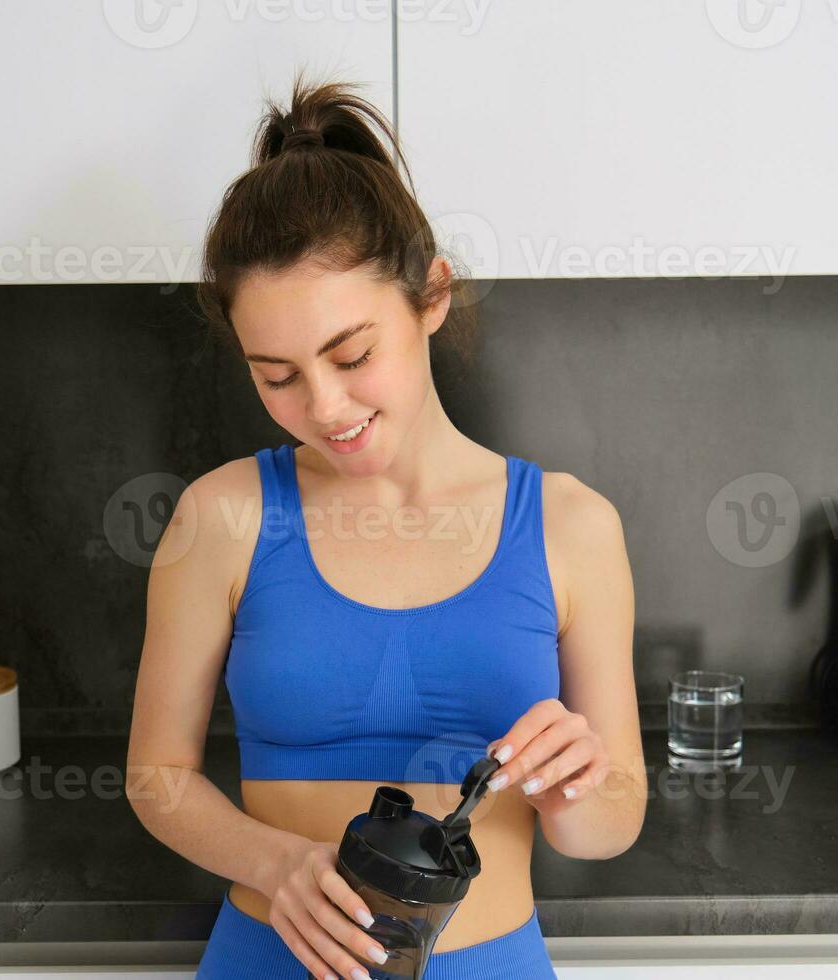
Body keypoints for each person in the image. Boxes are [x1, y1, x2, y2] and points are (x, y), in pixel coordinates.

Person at [125, 75, 646, 980]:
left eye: (352, 354)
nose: (324, 407)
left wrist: (577, 786)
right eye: (276, 375)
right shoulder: (222, 517)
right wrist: (274, 861)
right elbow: (155, 776)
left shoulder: (571, 525)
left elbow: (613, 821)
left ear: (432, 296)